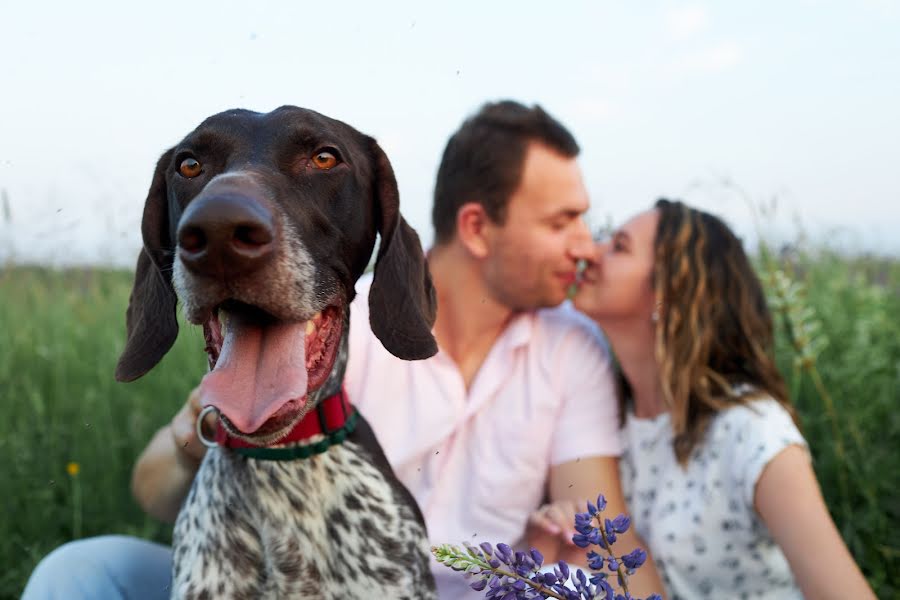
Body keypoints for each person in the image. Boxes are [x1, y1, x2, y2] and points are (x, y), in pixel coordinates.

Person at [22, 101, 665, 599]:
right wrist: (210, 423)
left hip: (477, 587)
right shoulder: (310, 328)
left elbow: (600, 525)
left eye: (321, 161)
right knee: (81, 571)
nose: (586, 243)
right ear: (476, 227)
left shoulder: (568, 349)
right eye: (563, 221)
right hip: (260, 568)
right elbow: (154, 490)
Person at [553, 198, 875, 599]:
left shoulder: (752, 431)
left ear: (669, 292)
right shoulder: (606, 415)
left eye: (618, 247)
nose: (589, 252)